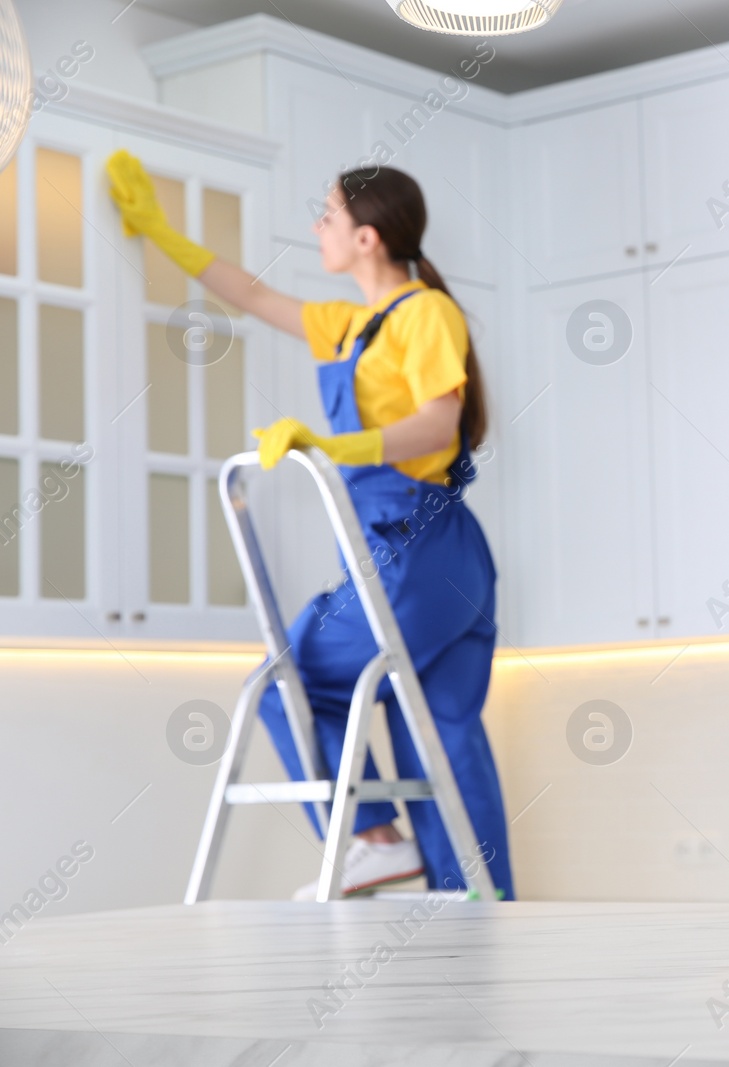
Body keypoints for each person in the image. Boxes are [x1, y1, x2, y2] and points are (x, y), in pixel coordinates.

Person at [107, 152, 514, 901]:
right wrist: (158, 229)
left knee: (287, 681)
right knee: (444, 732)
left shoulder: (427, 313)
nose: (315, 226)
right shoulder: (349, 326)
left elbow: (439, 425)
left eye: (326, 214)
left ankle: (372, 836)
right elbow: (251, 294)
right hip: (436, 560)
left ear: (367, 236)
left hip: (416, 550)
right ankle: (484, 918)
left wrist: (332, 447)